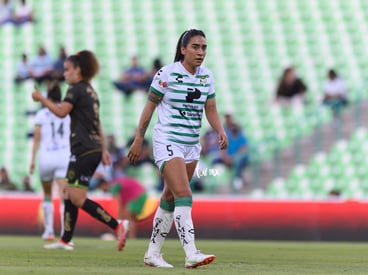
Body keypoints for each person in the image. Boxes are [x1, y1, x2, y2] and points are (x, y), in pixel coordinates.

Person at [128, 29, 228, 268]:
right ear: (183, 49)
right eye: (195, 47)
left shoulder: (206, 77)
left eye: (204, 47)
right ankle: (191, 252)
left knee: (170, 197)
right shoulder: (167, 74)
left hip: (192, 145)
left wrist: (220, 130)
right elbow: (149, 107)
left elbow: (210, 108)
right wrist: (138, 138)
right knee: (184, 194)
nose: (201, 52)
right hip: (167, 141)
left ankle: (152, 253)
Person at [32, 50, 129, 251]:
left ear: (78, 70)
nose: (65, 74)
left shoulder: (75, 89)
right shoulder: (91, 92)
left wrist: (41, 98)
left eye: (68, 70)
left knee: (77, 198)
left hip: (83, 149)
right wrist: (103, 149)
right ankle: (65, 240)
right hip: (90, 148)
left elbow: (60, 112)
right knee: (67, 191)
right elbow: (97, 122)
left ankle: (117, 225)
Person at [29, 82, 71, 241]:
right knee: (63, 195)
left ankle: (48, 231)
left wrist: (32, 160)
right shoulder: (66, 112)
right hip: (63, 157)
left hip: (46, 157)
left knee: (47, 195)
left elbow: (37, 138)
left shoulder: (41, 114)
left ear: (47, 96)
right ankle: (64, 234)